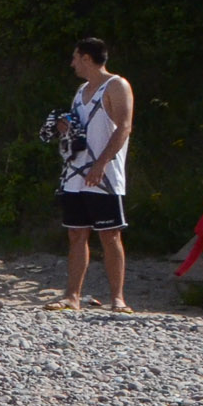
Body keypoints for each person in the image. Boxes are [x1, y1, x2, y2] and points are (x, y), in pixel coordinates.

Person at [52, 37, 135, 311]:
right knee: (76, 233)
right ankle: (72, 296)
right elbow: (79, 126)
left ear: (87, 58)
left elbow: (124, 127)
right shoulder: (81, 90)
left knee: (110, 234)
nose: (72, 63)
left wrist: (101, 163)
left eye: (75, 57)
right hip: (76, 173)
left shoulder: (117, 85)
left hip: (104, 174)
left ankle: (118, 298)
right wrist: (64, 126)